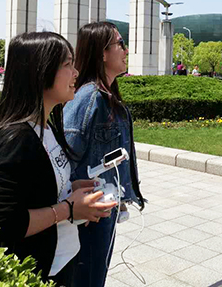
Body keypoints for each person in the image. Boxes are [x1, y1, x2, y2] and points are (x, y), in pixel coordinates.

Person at [0, 32, 117, 285]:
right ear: (40, 72)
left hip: (65, 260)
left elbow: (37, 188)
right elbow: (3, 226)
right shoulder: (15, 139)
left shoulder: (46, 128)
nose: (76, 73)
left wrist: (72, 189)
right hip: (41, 272)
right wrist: (69, 209)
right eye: (67, 64)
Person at [63, 22, 145, 287]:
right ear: (102, 53)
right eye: (120, 43)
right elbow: (66, 159)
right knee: (88, 280)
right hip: (89, 215)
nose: (126, 50)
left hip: (103, 208)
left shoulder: (106, 95)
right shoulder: (88, 98)